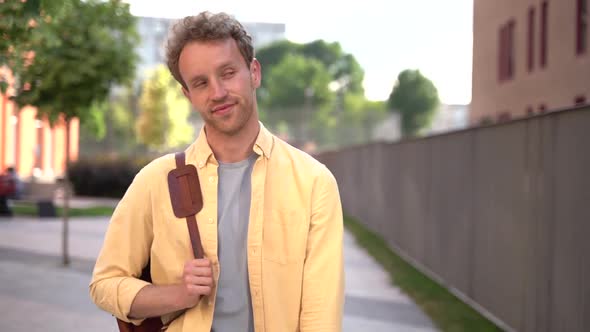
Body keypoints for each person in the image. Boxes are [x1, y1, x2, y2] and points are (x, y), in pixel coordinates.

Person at [90, 11, 344, 332]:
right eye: (200, 82)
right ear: (188, 95)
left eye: (227, 73)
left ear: (253, 72)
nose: (218, 92)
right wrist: (176, 295)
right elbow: (104, 283)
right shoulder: (154, 181)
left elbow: (321, 318)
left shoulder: (313, 183)